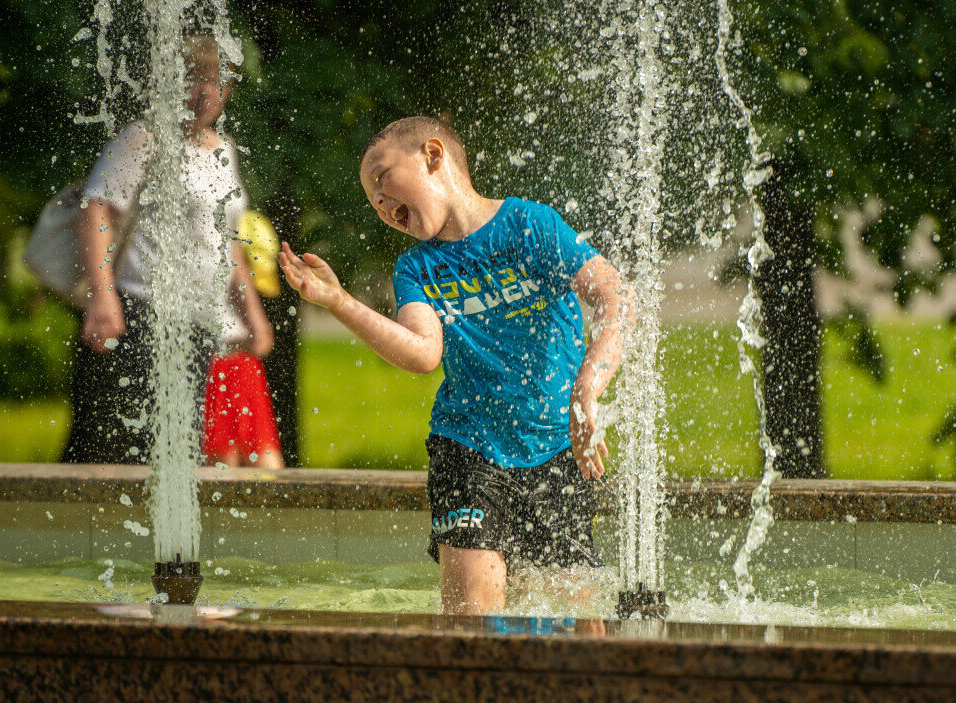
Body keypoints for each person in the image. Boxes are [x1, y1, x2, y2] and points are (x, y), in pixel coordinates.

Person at [279, 116, 632, 615]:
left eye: (381, 179)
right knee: (472, 625)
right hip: (468, 450)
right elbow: (424, 353)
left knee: (575, 636)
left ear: (432, 155)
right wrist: (338, 302)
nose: (379, 203)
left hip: (558, 450)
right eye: (371, 199)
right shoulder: (417, 268)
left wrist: (586, 392)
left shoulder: (530, 226)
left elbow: (617, 298)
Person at [63, 34, 272, 464]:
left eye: (212, 81)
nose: (201, 91)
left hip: (200, 320)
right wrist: (103, 295)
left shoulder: (225, 150)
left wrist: (251, 312)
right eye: (191, 77)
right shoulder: (145, 138)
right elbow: (96, 209)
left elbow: (226, 243)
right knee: (133, 443)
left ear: (227, 89)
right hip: (143, 311)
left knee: (181, 448)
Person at [202, 212, 283, 469]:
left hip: (230, 350)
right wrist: (256, 318)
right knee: (237, 459)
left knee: (230, 461)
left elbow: (234, 254)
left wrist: (255, 318)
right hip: (221, 350)